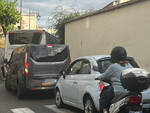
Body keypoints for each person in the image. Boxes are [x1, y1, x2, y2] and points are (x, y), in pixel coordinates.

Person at [95, 46, 132, 113]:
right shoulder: (128, 64)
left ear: (114, 56)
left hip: (118, 93)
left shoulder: (113, 66)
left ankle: (105, 110)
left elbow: (103, 76)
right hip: (130, 92)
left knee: (104, 92)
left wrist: (97, 78)